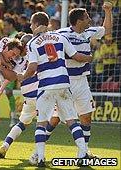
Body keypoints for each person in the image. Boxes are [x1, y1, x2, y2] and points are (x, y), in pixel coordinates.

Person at [17, 12, 93, 167]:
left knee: (42, 123)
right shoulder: (61, 38)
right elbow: (76, 56)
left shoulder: (33, 43)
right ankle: (83, 154)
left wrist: (23, 77)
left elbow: (32, 67)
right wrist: (89, 58)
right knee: (72, 121)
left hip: (46, 85)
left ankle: (40, 158)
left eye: (32, 24)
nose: (30, 27)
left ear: (37, 25)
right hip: (64, 83)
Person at [41, 3, 113, 158]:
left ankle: (84, 152)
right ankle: (38, 149)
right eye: (87, 17)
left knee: (86, 116)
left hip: (82, 81)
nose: (89, 20)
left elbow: (107, 30)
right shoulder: (62, 34)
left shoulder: (89, 32)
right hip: (66, 81)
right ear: (79, 21)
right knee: (55, 119)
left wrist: (108, 11)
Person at [0, 34, 38, 159]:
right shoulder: (37, 55)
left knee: (22, 123)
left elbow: (11, 78)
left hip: (27, 94)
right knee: (48, 122)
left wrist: (0, 90)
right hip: (41, 91)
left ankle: (5, 145)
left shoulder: (17, 61)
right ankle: (37, 154)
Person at [3, 17, 19, 127]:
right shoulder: (9, 37)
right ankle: (14, 116)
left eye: (6, 25)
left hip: (16, 67)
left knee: (8, 91)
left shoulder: (15, 36)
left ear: (11, 25)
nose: (4, 28)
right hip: (10, 67)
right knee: (8, 91)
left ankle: (14, 116)